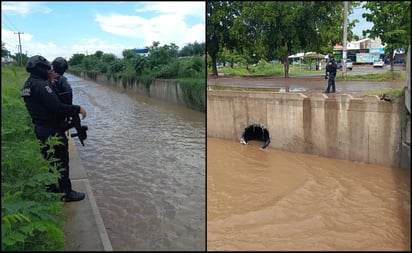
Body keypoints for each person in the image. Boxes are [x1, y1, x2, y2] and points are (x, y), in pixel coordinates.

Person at [21, 55, 86, 202]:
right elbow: (57, 107)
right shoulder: (42, 86)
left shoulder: (28, 84)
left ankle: (51, 188)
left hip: (40, 128)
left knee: (49, 160)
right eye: (46, 69)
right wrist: (78, 108)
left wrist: (48, 82)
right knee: (62, 161)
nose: (49, 71)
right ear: (40, 69)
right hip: (52, 130)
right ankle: (66, 193)